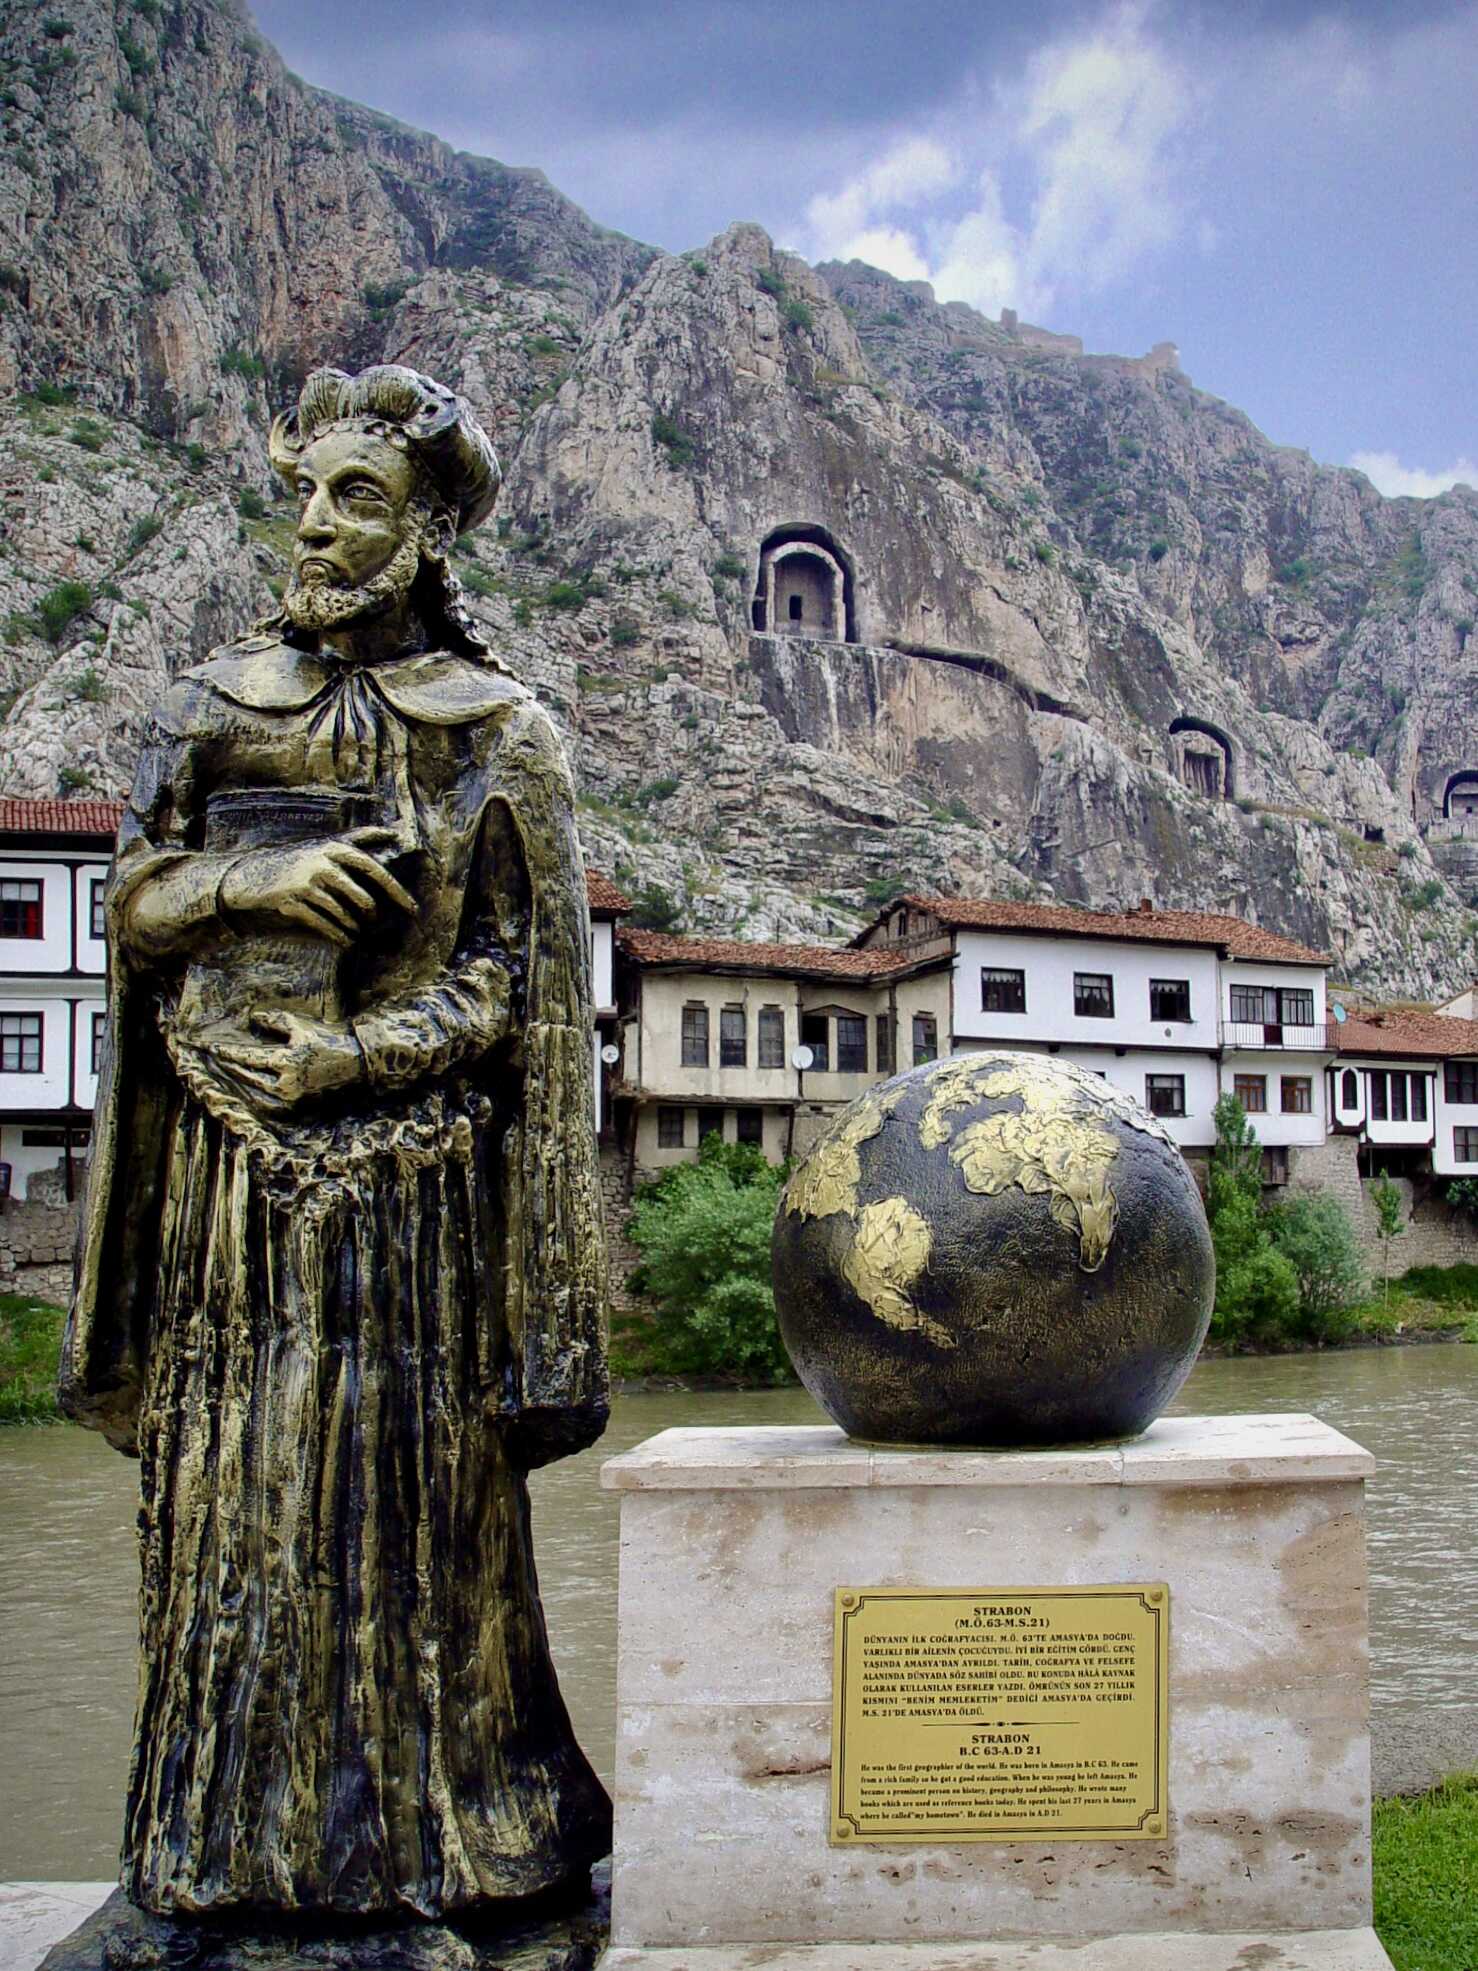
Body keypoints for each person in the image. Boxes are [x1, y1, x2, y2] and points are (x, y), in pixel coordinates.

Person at [59, 365, 611, 1921]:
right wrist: (245, 894)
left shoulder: (501, 731)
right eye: (302, 491)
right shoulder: (210, 703)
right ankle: (219, 1862)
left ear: (431, 527)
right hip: (227, 1199)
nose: (314, 524)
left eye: (355, 497)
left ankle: (441, 1858)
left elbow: (521, 982)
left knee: (413, 1536)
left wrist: (359, 1050)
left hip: (413, 1204)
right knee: (236, 1519)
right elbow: (130, 902)